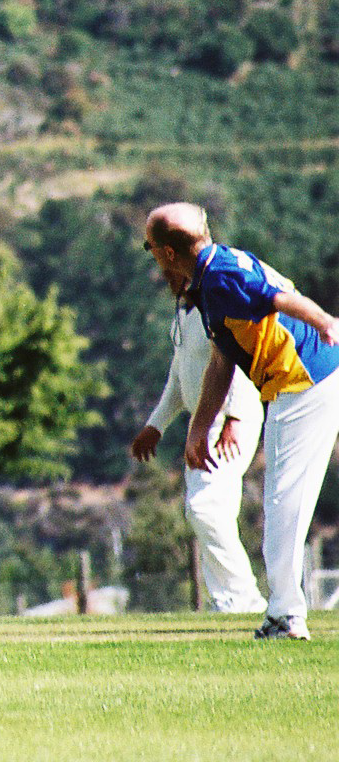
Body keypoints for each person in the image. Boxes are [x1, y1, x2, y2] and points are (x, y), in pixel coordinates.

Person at [144, 202, 339, 640]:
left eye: (150, 247)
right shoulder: (213, 275)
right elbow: (222, 360)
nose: (152, 257)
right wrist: (197, 430)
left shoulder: (220, 277)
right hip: (302, 384)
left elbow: (279, 298)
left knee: (283, 508)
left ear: (169, 253)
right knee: (281, 507)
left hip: (306, 382)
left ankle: (286, 617)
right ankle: (283, 613)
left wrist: (325, 321)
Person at [128, 261, 266, 613]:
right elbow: (178, 379)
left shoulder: (215, 306)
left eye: (170, 272)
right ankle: (228, 600)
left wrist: (235, 415)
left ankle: (244, 598)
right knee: (206, 512)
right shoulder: (184, 317)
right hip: (202, 425)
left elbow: (237, 361)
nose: (166, 279)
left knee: (205, 509)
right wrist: (155, 425)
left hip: (232, 422)